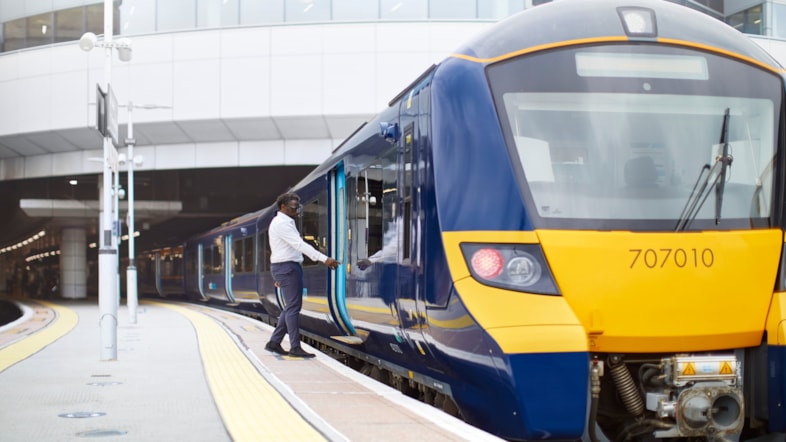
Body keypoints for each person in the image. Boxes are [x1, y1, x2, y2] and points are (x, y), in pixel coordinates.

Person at [265, 192, 340, 358]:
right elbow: (299, 244)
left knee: (291, 306)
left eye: (298, 206)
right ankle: (294, 347)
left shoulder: (284, 222)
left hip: (286, 267)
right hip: (287, 267)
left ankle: (274, 342)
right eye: (293, 206)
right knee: (293, 307)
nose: (297, 209)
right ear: (283, 206)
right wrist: (324, 259)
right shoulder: (282, 224)